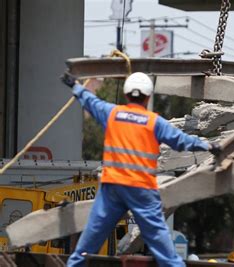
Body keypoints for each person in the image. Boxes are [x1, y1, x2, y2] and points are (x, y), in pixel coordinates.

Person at [61, 72, 220, 267]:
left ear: (127, 95)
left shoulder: (112, 113)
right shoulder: (154, 122)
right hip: (141, 190)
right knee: (165, 251)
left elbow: (90, 101)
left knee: (86, 247)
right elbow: (181, 141)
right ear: (148, 97)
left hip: (113, 188)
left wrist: (75, 86)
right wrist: (209, 146)